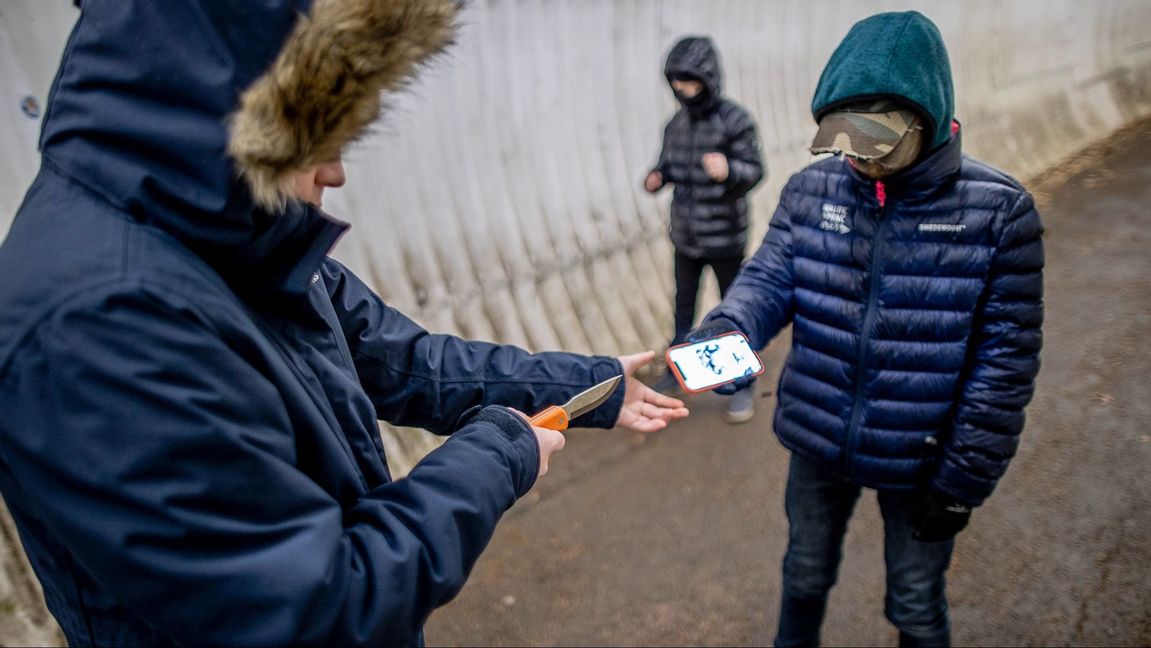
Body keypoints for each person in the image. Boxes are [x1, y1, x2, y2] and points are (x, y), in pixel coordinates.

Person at [0, 1, 688, 645]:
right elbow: (317, 610)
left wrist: (590, 384)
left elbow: (405, 361)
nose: (335, 172)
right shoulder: (95, 321)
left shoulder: (232, 234)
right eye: (316, 133)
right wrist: (499, 452)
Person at [686, 11, 1044, 647]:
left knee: (914, 604)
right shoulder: (810, 191)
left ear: (926, 119)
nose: (860, 161)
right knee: (802, 574)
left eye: (876, 144)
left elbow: (1005, 363)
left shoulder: (998, 213)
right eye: (843, 141)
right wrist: (723, 337)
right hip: (819, 435)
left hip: (925, 459)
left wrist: (963, 480)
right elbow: (768, 281)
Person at [643, 35, 765, 423]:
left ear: (708, 79)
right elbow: (669, 165)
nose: (682, 89)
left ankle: (742, 382)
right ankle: (677, 370)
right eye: (676, 81)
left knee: (734, 309)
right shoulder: (674, 125)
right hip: (686, 235)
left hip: (725, 237)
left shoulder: (736, 120)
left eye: (690, 80)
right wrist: (658, 176)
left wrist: (730, 170)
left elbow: (754, 170)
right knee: (683, 307)